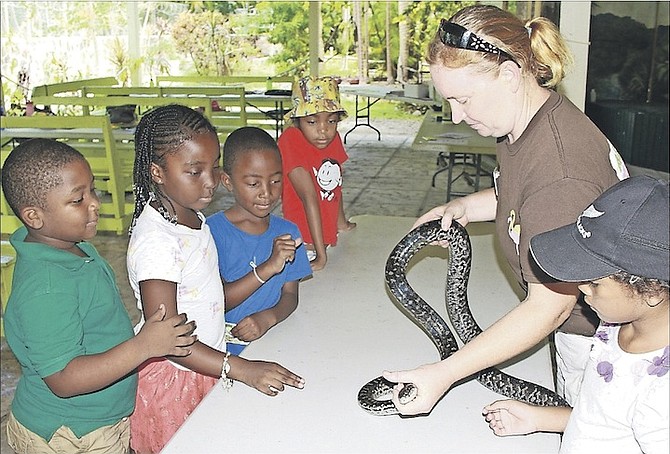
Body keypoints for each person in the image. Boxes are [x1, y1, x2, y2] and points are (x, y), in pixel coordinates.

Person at [382, 4, 630, 414]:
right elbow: (521, 196)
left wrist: (443, 373)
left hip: (604, 346)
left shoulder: (561, 171)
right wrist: (464, 206)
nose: (458, 116)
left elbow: (549, 307)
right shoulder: (523, 122)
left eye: (463, 100)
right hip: (584, 330)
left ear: (511, 74)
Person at [127, 105, 305, 453]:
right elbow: (165, 340)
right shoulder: (157, 243)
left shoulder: (191, 216)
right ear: (157, 173)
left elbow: (208, 296)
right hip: (174, 377)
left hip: (205, 362)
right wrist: (240, 368)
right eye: (195, 171)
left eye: (213, 166)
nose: (210, 182)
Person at [1, 138, 196, 453]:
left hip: (97, 419)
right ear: (34, 217)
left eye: (92, 189)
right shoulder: (46, 287)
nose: (94, 202)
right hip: (69, 434)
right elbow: (63, 378)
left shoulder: (74, 248)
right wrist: (143, 346)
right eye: (78, 199)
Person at [483, 175, 669, 452]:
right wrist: (540, 419)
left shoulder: (662, 396)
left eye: (594, 282)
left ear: (652, 291)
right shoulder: (614, 325)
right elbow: (605, 417)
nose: (581, 287)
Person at [207, 126, 312, 356]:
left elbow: (290, 295)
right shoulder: (211, 233)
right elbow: (216, 302)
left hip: (275, 341)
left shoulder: (288, 233)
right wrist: (267, 268)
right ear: (227, 181)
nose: (267, 193)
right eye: (254, 184)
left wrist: (269, 318)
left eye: (275, 181)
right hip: (226, 353)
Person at [278, 75, 356, 271]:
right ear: (298, 121)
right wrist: (320, 256)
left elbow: (335, 186)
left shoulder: (333, 138)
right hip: (305, 245)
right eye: (312, 122)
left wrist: (342, 224)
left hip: (326, 239)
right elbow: (309, 196)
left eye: (331, 121)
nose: (323, 131)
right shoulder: (290, 140)